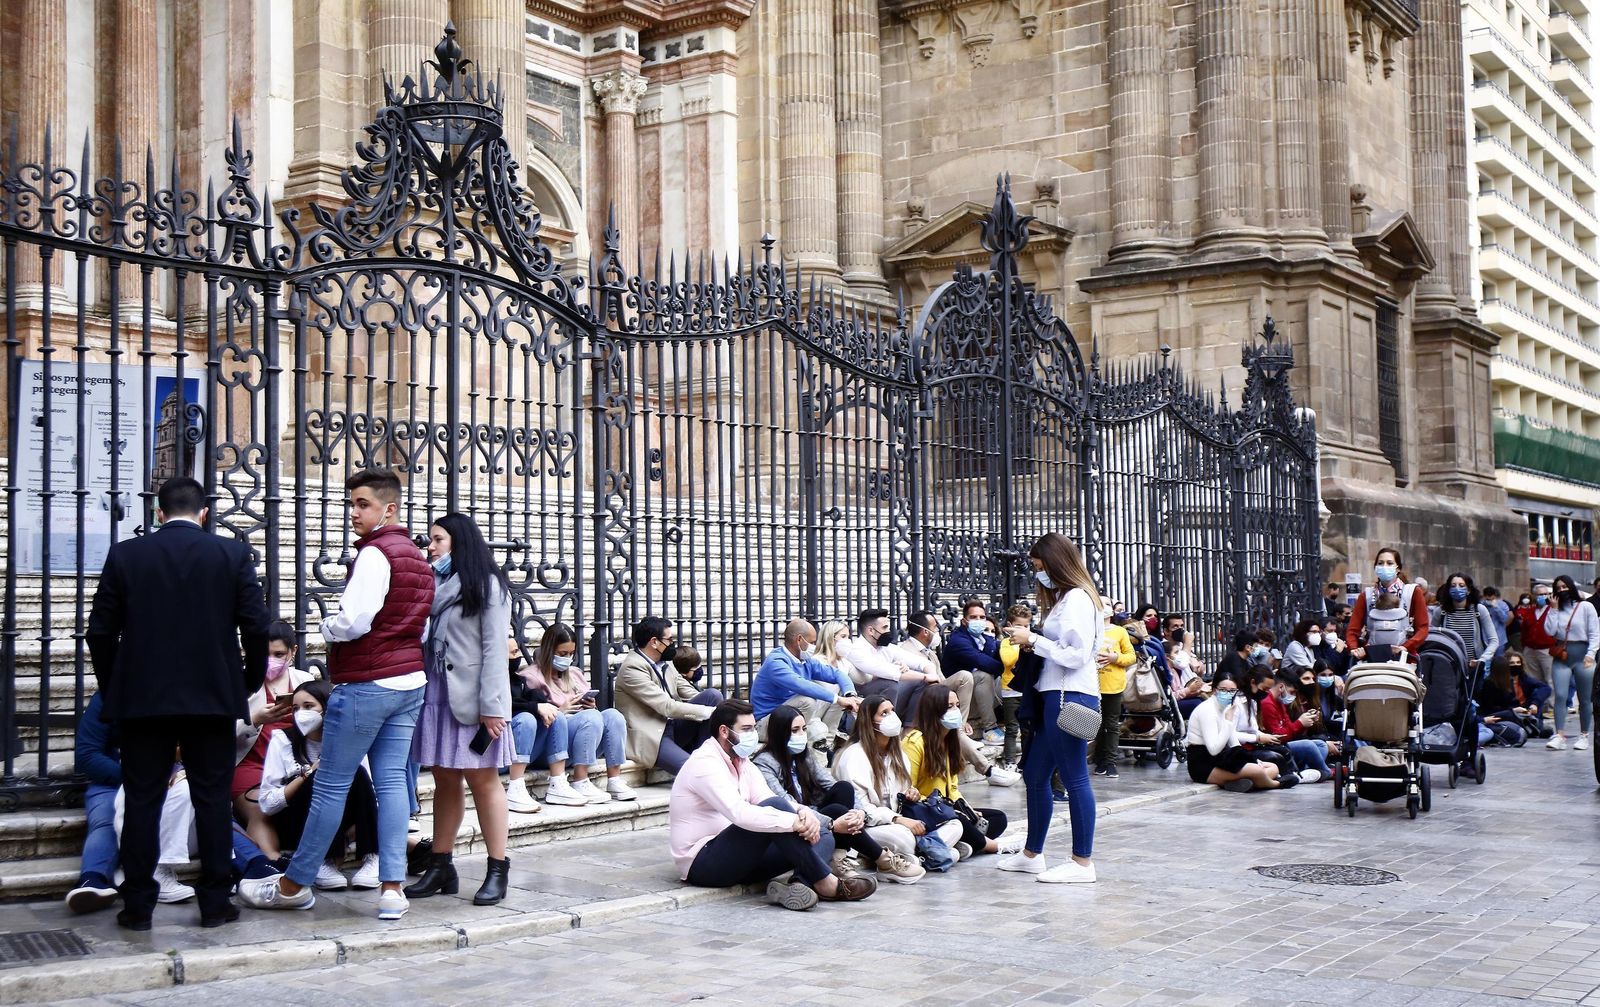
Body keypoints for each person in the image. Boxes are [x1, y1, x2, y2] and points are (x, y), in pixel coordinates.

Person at [241, 468, 432, 922]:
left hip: (367, 683)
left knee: (330, 786)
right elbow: (418, 622)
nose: (353, 513)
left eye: (362, 504)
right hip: (408, 682)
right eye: (351, 504)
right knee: (390, 786)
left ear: (389, 508)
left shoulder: (375, 553)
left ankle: (293, 884)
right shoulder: (417, 557)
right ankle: (391, 889)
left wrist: (328, 627)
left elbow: (355, 620)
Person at [86, 476, 271, 930]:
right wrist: (245, 683)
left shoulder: (127, 554)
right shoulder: (231, 554)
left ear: (158, 513)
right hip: (211, 700)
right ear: (204, 512)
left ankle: (138, 907)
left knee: (143, 799)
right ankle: (214, 903)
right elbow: (256, 626)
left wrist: (115, 687)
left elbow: (100, 632)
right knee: (211, 800)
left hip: (143, 700)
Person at [669, 699, 876, 910]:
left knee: (823, 833)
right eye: (746, 729)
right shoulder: (705, 764)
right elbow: (739, 813)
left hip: (743, 858)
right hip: (705, 863)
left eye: (753, 727)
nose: (753, 735)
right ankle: (824, 882)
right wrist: (793, 821)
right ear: (724, 731)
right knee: (778, 809)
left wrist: (804, 814)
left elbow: (762, 796)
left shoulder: (741, 761)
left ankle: (798, 885)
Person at [406, 514, 515, 905]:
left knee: (483, 780)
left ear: (460, 542)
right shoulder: (433, 585)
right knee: (444, 779)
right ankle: (440, 865)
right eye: (430, 541)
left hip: (474, 700)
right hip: (436, 692)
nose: (430, 547)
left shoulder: (486, 585)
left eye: (437, 540)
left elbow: (493, 649)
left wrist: (493, 706)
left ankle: (497, 867)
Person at [996, 532, 1105, 883]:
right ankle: (1032, 854)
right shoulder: (1066, 599)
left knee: (1074, 777)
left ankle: (1082, 862)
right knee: (1035, 774)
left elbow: (1076, 654)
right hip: (1054, 694)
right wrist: (1035, 644)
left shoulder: (1076, 599)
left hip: (1067, 695)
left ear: (1057, 563)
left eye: (1040, 567)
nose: (1038, 573)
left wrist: (1034, 640)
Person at [752, 704, 925, 883]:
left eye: (804, 729)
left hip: (816, 816)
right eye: (794, 730)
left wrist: (859, 812)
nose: (801, 735)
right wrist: (833, 822)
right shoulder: (765, 763)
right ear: (780, 733)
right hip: (793, 824)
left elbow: (830, 783)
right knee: (836, 810)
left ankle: (838, 856)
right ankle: (883, 860)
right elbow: (786, 804)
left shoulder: (803, 755)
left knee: (844, 788)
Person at [259, 680, 380, 891]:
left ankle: (372, 857)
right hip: (297, 820)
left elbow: (368, 792)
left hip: (343, 819)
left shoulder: (349, 738)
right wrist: (308, 774)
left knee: (357, 772)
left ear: (327, 707)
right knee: (323, 774)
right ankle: (324, 861)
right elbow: (267, 804)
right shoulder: (282, 740)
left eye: (308, 706)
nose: (301, 714)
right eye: (295, 708)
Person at [833, 694, 965, 863]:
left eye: (892, 710)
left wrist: (912, 794)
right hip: (872, 825)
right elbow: (862, 808)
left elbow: (903, 793)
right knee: (904, 837)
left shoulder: (898, 755)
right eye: (884, 713)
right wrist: (897, 820)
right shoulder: (853, 756)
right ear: (869, 721)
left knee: (955, 824)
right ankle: (936, 853)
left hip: (902, 819)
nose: (892, 716)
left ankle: (925, 854)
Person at [898, 609, 1020, 786]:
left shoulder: (930, 653)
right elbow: (927, 687)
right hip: (918, 710)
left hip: (936, 701)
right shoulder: (905, 651)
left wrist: (954, 708)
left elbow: (940, 681)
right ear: (925, 631)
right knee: (963, 678)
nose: (938, 630)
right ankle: (988, 769)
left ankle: (963, 728)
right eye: (935, 627)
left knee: (975, 677)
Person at [232, 621, 316, 860]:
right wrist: (255, 719)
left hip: (294, 766)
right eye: (265, 654)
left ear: (293, 652)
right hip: (249, 767)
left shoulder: (304, 679)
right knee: (261, 812)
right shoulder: (241, 683)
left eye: (279, 654)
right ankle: (273, 862)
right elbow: (218, 733)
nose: (271, 660)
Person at [900, 685, 1011, 859]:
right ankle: (992, 846)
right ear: (933, 710)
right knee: (958, 821)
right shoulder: (914, 742)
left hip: (945, 807)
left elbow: (952, 789)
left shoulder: (949, 741)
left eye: (957, 705)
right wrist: (951, 811)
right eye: (949, 706)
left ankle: (962, 844)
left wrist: (967, 810)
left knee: (997, 818)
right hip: (925, 810)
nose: (955, 710)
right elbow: (907, 789)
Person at [614, 617, 723, 774]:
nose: (672, 644)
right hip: (653, 735)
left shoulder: (666, 662)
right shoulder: (632, 668)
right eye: (669, 640)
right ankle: (701, 767)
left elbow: (687, 690)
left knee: (712, 696)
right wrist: (710, 712)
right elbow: (666, 707)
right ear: (654, 642)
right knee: (695, 771)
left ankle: (704, 756)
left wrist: (724, 709)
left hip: (674, 726)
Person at [749, 619, 860, 743]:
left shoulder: (806, 661)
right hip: (765, 724)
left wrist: (850, 695)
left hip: (790, 716)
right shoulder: (776, 662)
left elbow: (837, 674)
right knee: (807, 701)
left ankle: (827, 748)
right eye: (812, 642)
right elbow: (800, 685)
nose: (814, 646)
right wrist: (838, 699)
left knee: (822, 724)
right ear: (799, 640)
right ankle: (799, 737)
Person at [1183, 672, 1293, 792]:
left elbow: (1234, 744)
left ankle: (1243, 783)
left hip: (1222, 758)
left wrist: (1251, 760)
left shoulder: (1225, 707)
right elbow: (1213, 749)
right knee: (1257, 771)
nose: (1228, 694)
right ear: (1214, 690)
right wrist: (1228, 723)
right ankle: (1275, 784)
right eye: (1223, 690)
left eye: (1232, 691)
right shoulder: (1207, 710)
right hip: (1204, 763)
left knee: (1272, 767)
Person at [838, 608, 929, 717]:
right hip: (863, 699)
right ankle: (885, 721)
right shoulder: (857, 649)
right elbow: (887, 671)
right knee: (890, 683)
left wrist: (931, 674)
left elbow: (920, 662)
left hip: (887, 696)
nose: (888, 631)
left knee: (919, 680)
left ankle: (908, 726)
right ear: (870, 631)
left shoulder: (886, 647)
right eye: (884, 628)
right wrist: (925, 676)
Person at [1344, 547, 1429, 663]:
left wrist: (1406, 647)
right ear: (1375, 568)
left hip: (1405, 658)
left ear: (1398, 568)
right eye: (1380, 563)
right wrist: (1354, 649)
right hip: (1372, 657)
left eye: (1389, 563)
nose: (1384, 566)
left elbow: (1423, 628)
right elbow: (1352, 630)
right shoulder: (1367, 595)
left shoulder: (1412, 592)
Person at [1544, 574, 1599, 751]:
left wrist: (1591, 654)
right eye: (1558, 588)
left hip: (1583, 655)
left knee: (1585, 699)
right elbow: (1549, 631)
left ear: (1571, 587)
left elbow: (1594, 633)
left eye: (1565, 587)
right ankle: (1559, 734)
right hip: (1562, 656)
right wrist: (1553, 609)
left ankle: (1584, 735)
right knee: (1560, 695)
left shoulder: (1586, 606)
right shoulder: (1556, 609)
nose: (1562, 590)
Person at [941, 598, 1004, 745]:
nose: (979, 621)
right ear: (964, 621)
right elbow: (984, 663)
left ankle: (1015, 721)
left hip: (976, 696)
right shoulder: (959, 641)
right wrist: (1004, 667)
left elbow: (994, 656)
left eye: (982, 617)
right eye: (973, 617)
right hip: (957, 699)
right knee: (984, 675)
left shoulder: (982, 638)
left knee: (1011, 676)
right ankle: (990, 728)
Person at [1259, 671, 1331, 780]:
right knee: (1308, 745)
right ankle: (1327, 772)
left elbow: (1288, 728)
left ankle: (1305, 772)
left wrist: (1305, 721)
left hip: (1284, 745)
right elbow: (1278, 737)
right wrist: (1300, 723)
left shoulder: (1279, 702)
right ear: (1281, 687)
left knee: (1321, 744)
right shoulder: (1267, 703)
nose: (1293, 696)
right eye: (1292, 692)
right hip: (1272, 747)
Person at [1093, 606, 1137, 778]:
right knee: (1096, 724)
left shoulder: (1120, 632)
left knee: (1111, 724)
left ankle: (1110, 761)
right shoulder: (1090, 629)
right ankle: (1099, 758)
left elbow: (1131, 656)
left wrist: (1115, 658)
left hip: (1113, 684)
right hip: (1092, 683)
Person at [1431, 573, 1498, 670]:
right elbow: (1432, 636)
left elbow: (1494, 640)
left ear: (1469, 590)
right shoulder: (1441, 611)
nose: (1457, 589)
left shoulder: (1479, 610)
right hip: (1449, 666)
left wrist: (1483, 659)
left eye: (1461, 586)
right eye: (1453, 586)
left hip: (1474, 666)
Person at [1479, 653, 1552, 740]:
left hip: (1517, 710)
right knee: (1513, 715)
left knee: (1537, 697)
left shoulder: (1523, 678)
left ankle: (1535, 726)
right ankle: (1533, 728)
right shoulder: (1490, 684)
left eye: (1518, 663)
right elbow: (1491, 708)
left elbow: (1545, 688)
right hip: (1500, 713)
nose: (1515, 666)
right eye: (1512, 663)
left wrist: (1534, 703)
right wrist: (1514, 710)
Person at [995, 604, 1033, 766]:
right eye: (1019, 626)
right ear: (1010, 626)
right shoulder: (1006, 642)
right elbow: (1008, 660)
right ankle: (1010, 761)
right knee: (1011, 728)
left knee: (1027, 729)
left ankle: (1026, 761)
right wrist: (1022, 645)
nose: (1024, 630)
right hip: (1010, 691)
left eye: (1026, 626)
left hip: (1027, 690)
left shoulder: (1032, 641)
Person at [1515, 582, 1558, 686]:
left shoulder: (1552, 610)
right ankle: (1537, 700)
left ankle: (1551, 702)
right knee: (1533, 678)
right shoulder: (1530, 611)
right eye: (1540, 594)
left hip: (1547, 650)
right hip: (1530, 649)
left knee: (1550, 679)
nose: (1543, 597)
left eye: (1545, 594)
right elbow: (1524, 630)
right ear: (1534, 595)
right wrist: (1524, 646)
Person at [1482, 586, 1512, 659]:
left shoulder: (1502, 605)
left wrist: (1496, 608)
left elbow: (1505, 619)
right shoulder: (1480, 605)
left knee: (1499, 661)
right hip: (1485, 639)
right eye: (1487, 599)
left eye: (1491, 598)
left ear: (1494, 596)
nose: (1489, 600)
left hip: (1499, 639)